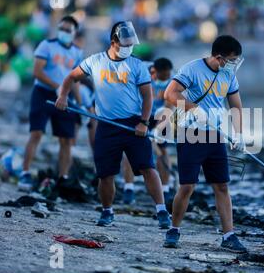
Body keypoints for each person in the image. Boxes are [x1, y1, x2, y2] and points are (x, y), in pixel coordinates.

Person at [55, 21, 171, 228]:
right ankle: (107, 211)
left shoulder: (136, 65)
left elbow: (147, 97)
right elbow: (71, 77)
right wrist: (63, 96)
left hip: (134, 124)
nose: (129, 48)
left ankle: (162, 211)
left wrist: (144, 123)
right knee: (106, 173)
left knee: (147, 167)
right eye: (125, 44)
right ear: (113, 42)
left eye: (131, 44)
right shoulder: (95, 61)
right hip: (106, 125)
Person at [162, 35, 247, 252]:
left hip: (215, 135)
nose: (234, 64)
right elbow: (170, 93)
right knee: (188, 185)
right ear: (219, 58)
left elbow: (235, 105)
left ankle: (229, 235)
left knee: (221, 185)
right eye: (232, 59)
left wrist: (239, 135)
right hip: (190, 133)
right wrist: (194, 109)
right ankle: (174, 229)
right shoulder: (192, 69)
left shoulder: (229, 76)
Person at [18, 16, 82, 191]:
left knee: (66, 140)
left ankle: (63, 177)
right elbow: (37, 71)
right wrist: (58, 86)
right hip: (43, 93)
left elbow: (75, 79)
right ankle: (25, 172)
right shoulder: (46, 45)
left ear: (75, 32)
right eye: (62, 28)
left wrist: (80, 102)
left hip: (64, 97)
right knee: (36, 133)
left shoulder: (77, 52)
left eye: (68, 30)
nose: (64, 32)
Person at [121, 58, 175, 206]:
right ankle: (128, 188)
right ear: (154, 72)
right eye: (162, 77)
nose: (165, 80)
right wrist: (142, 123)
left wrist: (157, 129)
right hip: (140, 113)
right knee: (130, 151)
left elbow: (169, 106)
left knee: (162, 150)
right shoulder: (141, 72)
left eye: (167, 77)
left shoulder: (173, 79)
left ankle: (165, 188)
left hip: (160, 115)